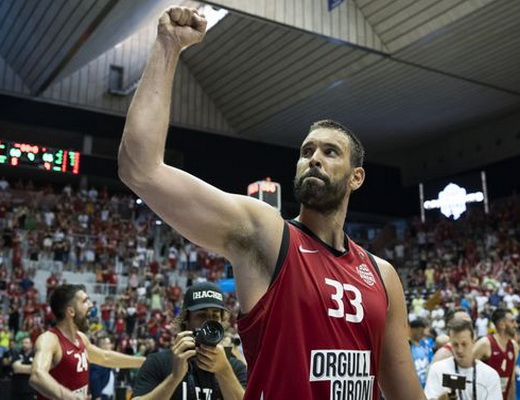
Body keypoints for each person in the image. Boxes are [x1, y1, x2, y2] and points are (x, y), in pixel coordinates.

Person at [118, 5, 425, 400]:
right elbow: (140, 168)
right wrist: (167, 46)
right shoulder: (267, 235)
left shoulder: (382, 276)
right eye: (307, 151)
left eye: (330, 152)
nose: (314, 158)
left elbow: (405, 393)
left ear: (356, 177)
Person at [132, 282, 246, 399]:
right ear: (186, 319)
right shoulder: (158, 362)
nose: (209, 323)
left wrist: (223, 371)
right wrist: (174, 378)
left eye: (215, 317)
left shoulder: (234, 367)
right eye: (201, 316)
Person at [29, 284, 145, 400]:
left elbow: (104, 357)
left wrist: (145, 361)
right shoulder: (50, 339)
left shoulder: (81, 338)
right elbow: (37, 375)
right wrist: (69, 396)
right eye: (85, 301)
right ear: (71, 311)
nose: (91, 305)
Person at [425, 319, 502, 400]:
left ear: (473, 342)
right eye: (455, 344)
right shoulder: (438, 369)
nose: (460, 350)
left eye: (464, 344)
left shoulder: (489, 375)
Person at [473, 308, 519, 400]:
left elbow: (512, 380)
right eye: (512, 322)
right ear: (502, 325)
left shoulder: (514, 346)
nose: (516, 325)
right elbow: (466, 370)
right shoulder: (485, 343)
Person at [409, 319, 431, 389]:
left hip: (425, 383)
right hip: (413, 384)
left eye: (422, 332)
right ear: (412, 330)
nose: (422, 334)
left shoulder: (426, 345)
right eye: (420, 332)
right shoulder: (407, 346)